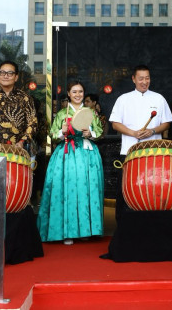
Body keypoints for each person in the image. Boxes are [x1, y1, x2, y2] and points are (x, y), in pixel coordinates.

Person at [38, 81, 104, 244]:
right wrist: (63, 131)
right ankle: (67, 231)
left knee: (86, 189)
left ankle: (86, 229)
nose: (77, 95)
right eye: (74, 92)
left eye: (80, 92)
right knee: (67, 189)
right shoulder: (61, 113)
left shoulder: (91, 112)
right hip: (67, 153)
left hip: (87, 153)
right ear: (68, 94)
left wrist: (91, 132)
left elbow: (100, 132)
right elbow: (53, 134)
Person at [110, 65, 172, 218]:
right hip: (129, 152)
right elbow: (115, 123)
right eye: (141, 78)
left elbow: (167, 123)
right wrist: (133, 133)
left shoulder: (158, 98)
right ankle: (123, 225)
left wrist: (152, 131)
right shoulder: (123, 99)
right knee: (127, 189)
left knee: (153, 189)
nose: (144, 82)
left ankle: (153, 223)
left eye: (147, 78)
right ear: (133, 79)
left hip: (153, 152)